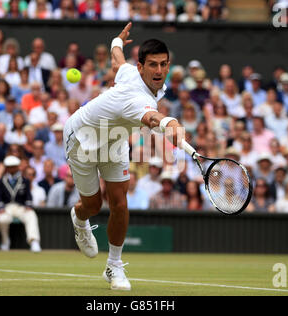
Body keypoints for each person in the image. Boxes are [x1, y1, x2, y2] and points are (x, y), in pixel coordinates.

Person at [63, 23, 193, 291]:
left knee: (120, 204)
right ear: (141, 67)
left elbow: (116, 61)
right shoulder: (136, 97)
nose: (159, 71)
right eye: (153, 65)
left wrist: (116, 40)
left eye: (164, 64)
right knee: (93, 206)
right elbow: (151, 117)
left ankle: (114, 266)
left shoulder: (129, 73)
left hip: (115, 143)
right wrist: (172, 124)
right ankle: (79, 218)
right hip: (82, 141)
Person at [0, 155, 42, 252]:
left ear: (17, 167)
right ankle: (5, 241)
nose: (12, 168)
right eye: (9, 166)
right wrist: (0, 208)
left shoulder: (25, 181)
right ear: (6, 168)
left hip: (21, 208)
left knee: (31, 215)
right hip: (7, 208)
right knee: (1, 219)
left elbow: (28, 196)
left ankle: (34, 241)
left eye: (14, 166)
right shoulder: (0, 181)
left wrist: (28, 205)